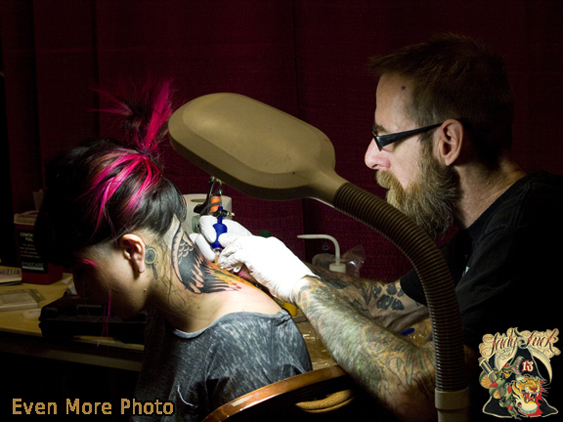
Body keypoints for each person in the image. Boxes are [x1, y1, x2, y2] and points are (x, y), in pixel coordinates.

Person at [202, 34, 561, 421]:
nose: (370, 157)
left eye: (384, 137)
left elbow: (421, 392)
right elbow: (386, 306)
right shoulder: (481, 232)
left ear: (448, 143)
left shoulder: (532, 223)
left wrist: (299, 285)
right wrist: (274, 265)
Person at [33, 81, 312, 422]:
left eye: (82, 270)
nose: (80, 289)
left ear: (133, 251)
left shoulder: (249, 349)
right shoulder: (165, 312)